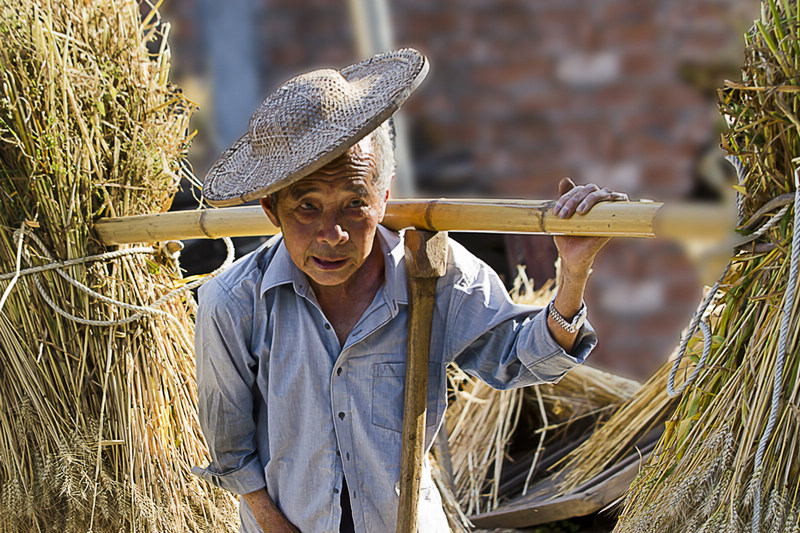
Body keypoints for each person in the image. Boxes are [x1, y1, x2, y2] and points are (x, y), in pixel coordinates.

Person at [192, 49, 628, 533]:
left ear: (384, 196)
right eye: (307, 208)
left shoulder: (430, 272)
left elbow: (521, 360)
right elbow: (230, 450)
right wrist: (274, 525)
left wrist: (573, 270)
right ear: (272, 209)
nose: (332, 233)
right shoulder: (233, 303)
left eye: (354, 203)